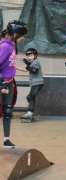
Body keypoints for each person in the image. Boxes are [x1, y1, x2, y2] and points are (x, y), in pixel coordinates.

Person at [0, 20, 28, 148]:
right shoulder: (5, 46)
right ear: (15, 34)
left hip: (9, 81)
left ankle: (6, 140)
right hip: (2, 82)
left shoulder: (11, 45)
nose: (22, 38)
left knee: (7, 111)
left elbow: (8, 62)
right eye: (21, 36)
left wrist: (16, 66)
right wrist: (2, 83)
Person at [20, 48, 44, 120]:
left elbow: (34, 70)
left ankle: (29, 113)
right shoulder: (34, 61)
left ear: (35, 55)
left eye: (31, 55)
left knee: (31, 97)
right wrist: (25, 61)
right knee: (30, 97)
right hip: (35, 83)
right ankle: (31, 111)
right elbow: (30, 64)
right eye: (28, 56)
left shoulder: (36, 62)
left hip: (37, 83)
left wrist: (27, 67)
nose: (29, 57)